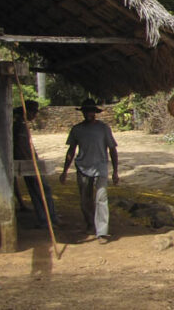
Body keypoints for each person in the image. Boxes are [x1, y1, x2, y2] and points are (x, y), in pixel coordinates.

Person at [60, 99, 119, 244]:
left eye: (91, 111)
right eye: (86, 111)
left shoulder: (104, 128)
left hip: (101, 168)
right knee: (85, 199)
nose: (89, 114)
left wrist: (115, 171)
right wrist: (65, 170)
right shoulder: (77, 130)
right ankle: (89, 223)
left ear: (95, 113)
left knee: (101, 199)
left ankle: (102, 232)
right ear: (83, 113)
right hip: (83, 168)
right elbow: (71, 150)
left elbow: (112, 149)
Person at [13, 101, 60, 228]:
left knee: (39, 190)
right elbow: (21, 148)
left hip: (31, 161)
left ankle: (50, 217)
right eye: (33, 111)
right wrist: (30, 162)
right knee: (41, 189)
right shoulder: (19, 126)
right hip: (28, 163)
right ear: (26, 111)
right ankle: (46, 220)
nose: (35, 114)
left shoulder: (22, 125)